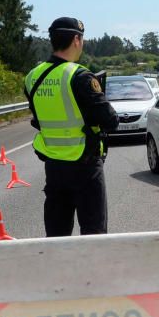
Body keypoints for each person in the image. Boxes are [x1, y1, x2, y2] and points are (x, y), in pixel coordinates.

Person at [24, 17, 118, 236]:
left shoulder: (32, 77)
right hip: (85, 164)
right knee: (94, 234)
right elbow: (111, 121)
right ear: (76, 39)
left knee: (57, 235)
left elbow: (39, 119)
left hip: (54, 165)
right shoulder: (79, 76)